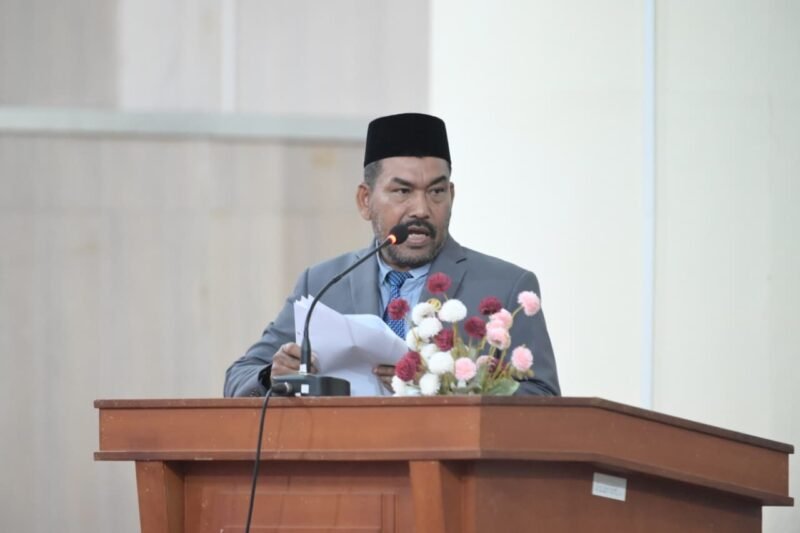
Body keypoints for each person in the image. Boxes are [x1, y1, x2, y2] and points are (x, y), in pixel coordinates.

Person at [224, 113, 560, 397]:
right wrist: (273, 374)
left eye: (437, 192)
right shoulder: (324, 283)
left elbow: (545, 402)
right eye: (402, 191)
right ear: (365, 200)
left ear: (452, 196)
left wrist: (441, 386)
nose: (422, 210)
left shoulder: (505, 287)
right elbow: (238, 378)